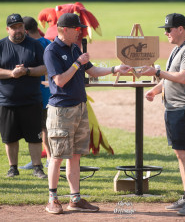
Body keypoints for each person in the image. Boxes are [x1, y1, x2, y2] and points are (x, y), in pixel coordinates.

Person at [44, 13, 131, 214]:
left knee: (75, 156)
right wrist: (77, 63)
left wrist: (115, 68)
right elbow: (59, 81)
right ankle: (53, 199)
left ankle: (75, 199)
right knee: (57, 156)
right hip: (61, 111)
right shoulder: (52, 51)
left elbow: (92, 71)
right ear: (64, 29)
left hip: (79, 108)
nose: (80, 32)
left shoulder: (75, 48)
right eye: (77, 29)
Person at [141, 13, 185, 216]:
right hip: (174, 107)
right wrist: (156, 89)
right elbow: (170, 78)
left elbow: (183, 78)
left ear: (181, 29)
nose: (166, 33)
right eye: (165, 30)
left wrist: (157, 72)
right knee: (180, 154)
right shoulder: (178, 49)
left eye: (169, 29)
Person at [0, 13, 47, 179]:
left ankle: (37, 167)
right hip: (7, 101)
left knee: (34, 137)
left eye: (20, 26)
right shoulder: (1, 45)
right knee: (9, 138)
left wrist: (27, 71)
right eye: (13, 28)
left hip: (31, 99)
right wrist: (12, 73)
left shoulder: (34, 45)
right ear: (8, 29)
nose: (17, 30)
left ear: (24, 28)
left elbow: (45, 68)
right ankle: (13, 167)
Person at [19, 16, 51, 170]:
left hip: (37, 93)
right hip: (50, 92)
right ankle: (40, 159)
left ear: (25, 31)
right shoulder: (49, 43)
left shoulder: (29, 46)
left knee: (41, 129)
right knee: (43, 128)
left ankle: (46, 160)